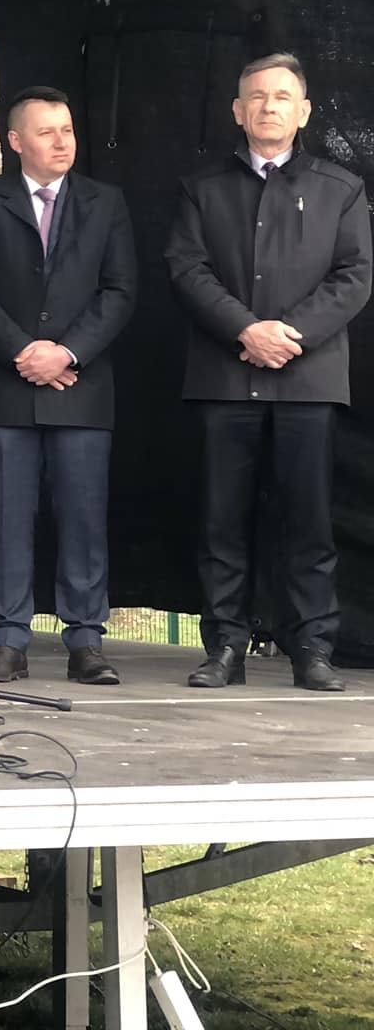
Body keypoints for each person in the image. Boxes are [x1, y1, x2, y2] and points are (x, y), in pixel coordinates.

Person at [167, 52, 370, 692]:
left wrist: (290, 335)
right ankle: (224, 646)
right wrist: (245, 330)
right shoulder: (202, 187)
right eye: (256, 96)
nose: (269, 106)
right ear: (237, 110)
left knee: (308, 522)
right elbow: (187, 270)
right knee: (221, 519)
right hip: (225, 377)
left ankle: (311, 646)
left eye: (282, 96)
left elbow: (354, 276)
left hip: (308, 382)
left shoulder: (341, 188)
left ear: (303, 111)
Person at [0, 87, 137, 687]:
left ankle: (86, 640)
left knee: (83, 516)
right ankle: (8, 640)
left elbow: (120, 290)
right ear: (15, 141)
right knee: (7, 516)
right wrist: (24, 351)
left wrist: (65, 352)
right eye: (47, 131)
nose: (62, 142)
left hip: (82, 384)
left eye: (68, 130)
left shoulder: (105, 201)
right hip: (9, 385)